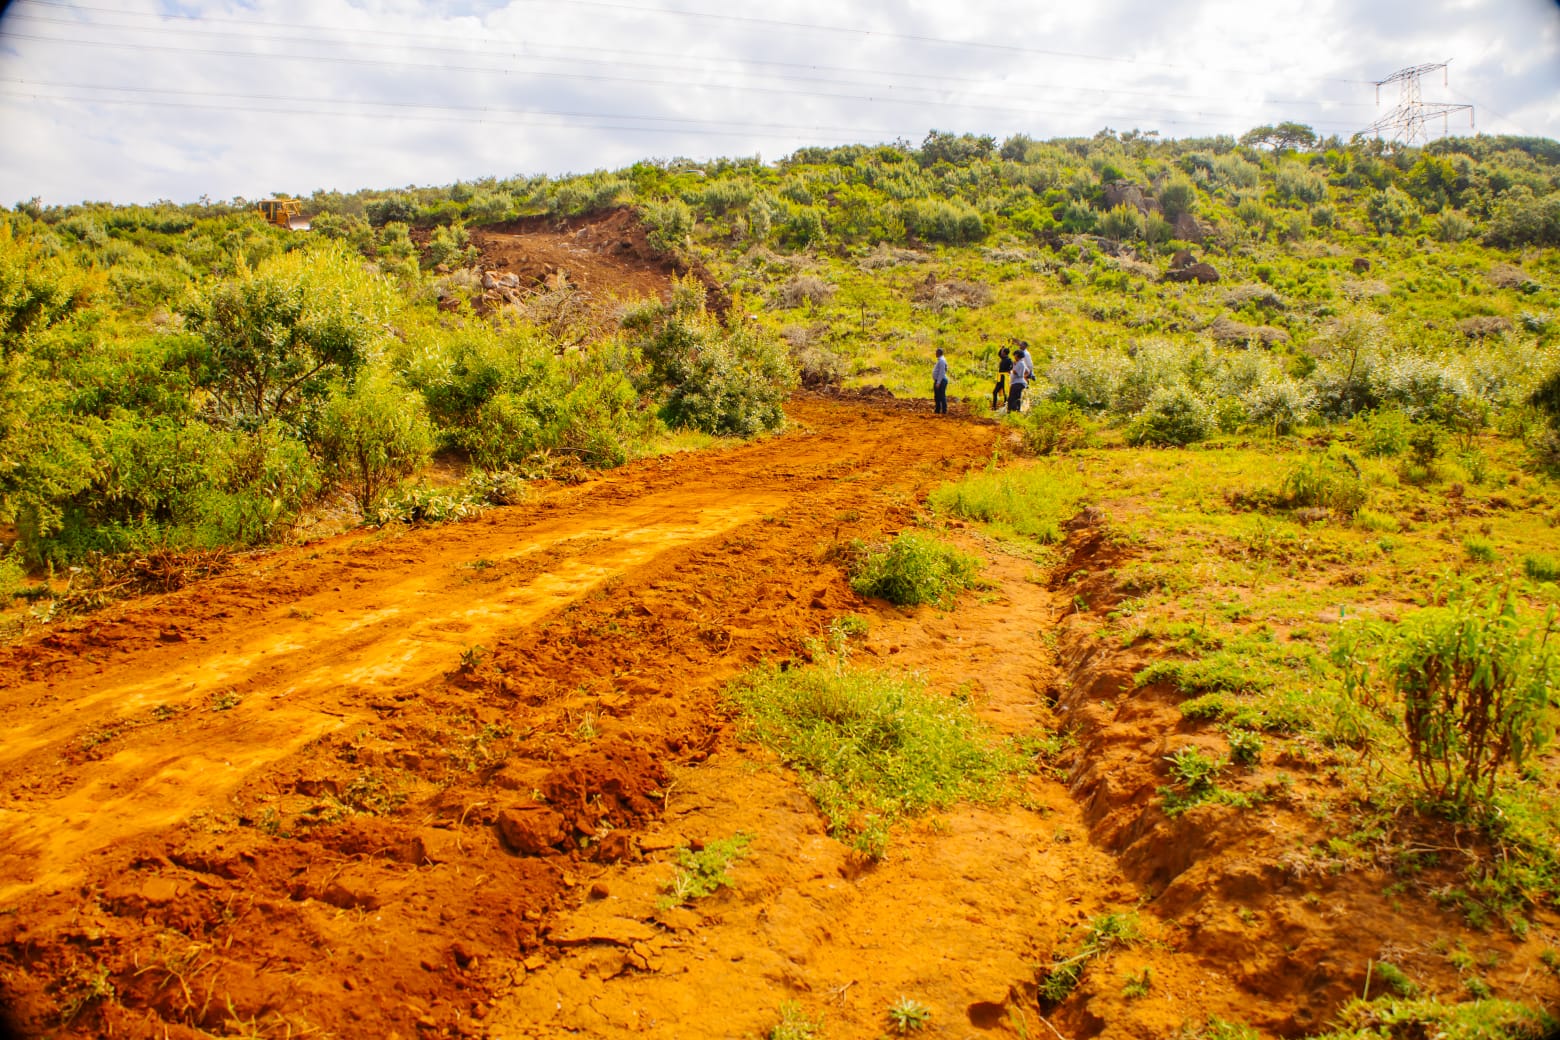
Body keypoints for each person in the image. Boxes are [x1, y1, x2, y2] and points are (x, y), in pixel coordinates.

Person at [1007, 345, 1031, 413]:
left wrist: (1012, 368)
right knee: (1016, 398)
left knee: (1012, 398)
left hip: (1017, 383)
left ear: (1017, 355)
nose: (1014, 356)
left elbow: (1015, 372)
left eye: (1015, 355)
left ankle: (1012, 411)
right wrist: (1024, 376)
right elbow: (1027, 371)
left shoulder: (1020, 363)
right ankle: (1016, 411)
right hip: (1019, 382)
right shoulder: (1021, 363)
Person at [932, 347, 949, 415]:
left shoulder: (942, 360)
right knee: (937, 396)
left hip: (941, 380)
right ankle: (938, 409)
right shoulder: (941, 360)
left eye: (936, 352)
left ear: (939, 353)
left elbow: (942, 372)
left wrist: (938, 382)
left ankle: (943, 410)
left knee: (941, 395)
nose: (935, 353)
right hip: (940, 380)